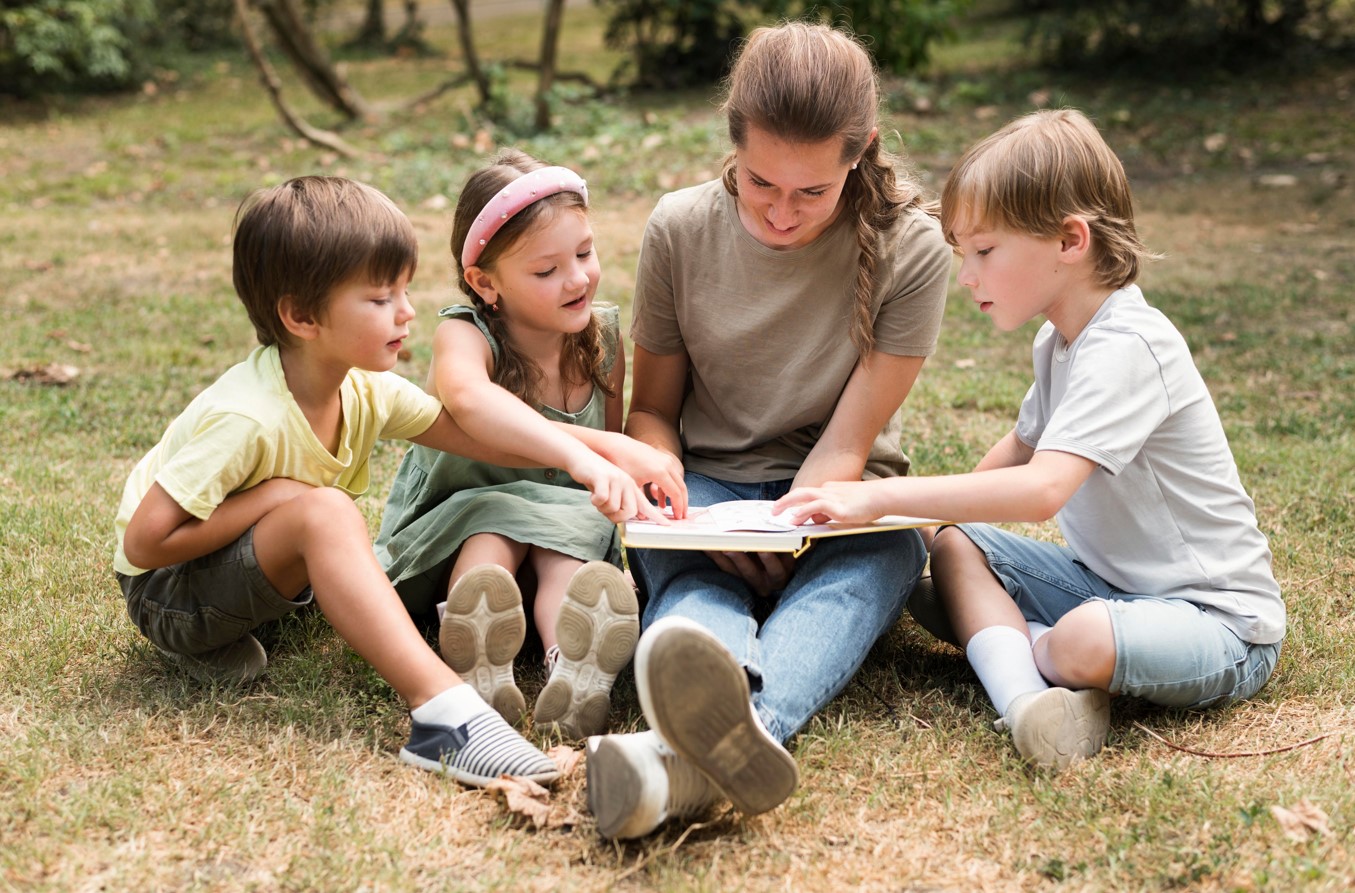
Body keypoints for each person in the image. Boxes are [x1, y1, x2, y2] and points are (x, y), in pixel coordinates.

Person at [775, 109, 1285, 771]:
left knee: (1081, 639)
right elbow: (1019, 447)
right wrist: (928, 526)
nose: (967, 275)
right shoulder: (1059, 340)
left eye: (984, 252)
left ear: (1070, 240)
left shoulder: (1130, 345)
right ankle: (1028, 705)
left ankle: (1025, 649)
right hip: (1109, 585)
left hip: (1219, 623)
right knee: (956, 548)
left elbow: (1042, 487)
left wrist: (880, 497)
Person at [113, 176, 653, 789]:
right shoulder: (247, 416)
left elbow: (483, 439)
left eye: (404, 291)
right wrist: (280, 497)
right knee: (326, 513)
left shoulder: (366, 390)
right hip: (167, 593)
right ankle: (444, 715)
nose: (406, 312)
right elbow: (144, 545)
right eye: (379, 299)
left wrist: (607, 450)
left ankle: (213, 647)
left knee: (323, 511)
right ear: (301, 316)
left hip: (245, 586)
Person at [583, 22, 953, 839]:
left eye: (810, 192)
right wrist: (680, 506)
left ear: (860, 152)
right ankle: (720, 733)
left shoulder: (913, 247)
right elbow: (654, 413)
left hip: (839, 495)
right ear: (733, 145)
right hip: (706, 487)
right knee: (690, 577)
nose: (782, 213)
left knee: (887, 554)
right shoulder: (679, 227)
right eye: (759, 182)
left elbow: (848, 443)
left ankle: (700, 747)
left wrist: (786, 529)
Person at [376, 149, 684, 740]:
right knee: (493, 531)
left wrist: (623, 481)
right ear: (485, 282)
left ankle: (571, 665)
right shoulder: (464, 335)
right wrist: (590, 451)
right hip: (454, 529)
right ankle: (474, 645)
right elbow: (470, 401)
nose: (577, 279)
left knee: (566, 540)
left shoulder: (603, 339)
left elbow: (596, 473)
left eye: (585, 253)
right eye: (546, 271)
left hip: (560, 532)